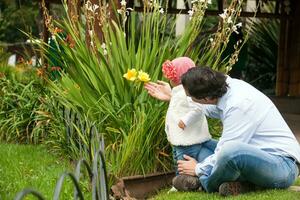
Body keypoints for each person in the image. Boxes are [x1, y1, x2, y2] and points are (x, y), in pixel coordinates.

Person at [145, 66, 300, 196]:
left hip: (282, 166)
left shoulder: (239, 105)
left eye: (191, 97)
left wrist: (198, 168)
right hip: (255, 155)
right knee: (205, 144)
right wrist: (173, 97)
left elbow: (227, 149)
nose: (190, 100)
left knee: (229, 151)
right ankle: (245, 185)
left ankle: (202, 183)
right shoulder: (222, 88)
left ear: (205, 98)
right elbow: (204, 109)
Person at [145, 58, 216, 191]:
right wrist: (170, 94)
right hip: (183, 137)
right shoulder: (180, 91)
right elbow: (180, 104)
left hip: (186, 139)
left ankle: (181, 183)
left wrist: (185, 121)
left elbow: (198, 108)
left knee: (183, 160)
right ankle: (196, 180)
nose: (170, 79)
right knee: (187, 158)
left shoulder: (187, 92)